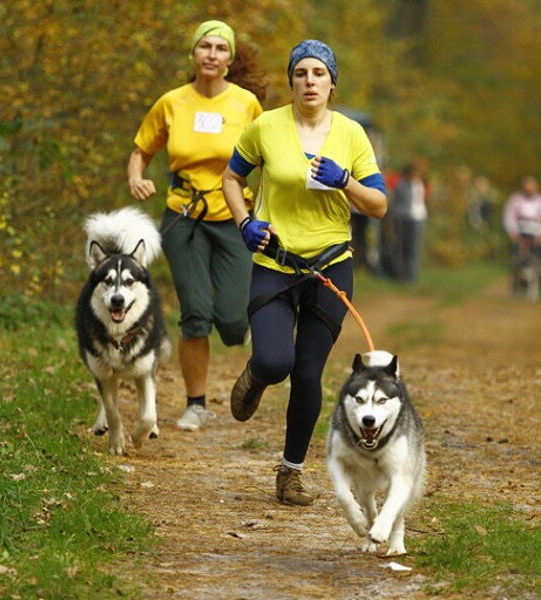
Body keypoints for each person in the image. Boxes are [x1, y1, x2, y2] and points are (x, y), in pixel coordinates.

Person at [222, 40, 387, 506]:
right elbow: (231, 178)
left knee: (309, 373)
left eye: (319, 73)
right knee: (277, 362)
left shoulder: (352, 135)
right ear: (292, 81)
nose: (310, 81)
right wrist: (244, 223)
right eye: (301, 73)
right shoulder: (266, 127)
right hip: (275, 263)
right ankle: (256, 372)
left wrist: (345, 181)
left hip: (330, 267)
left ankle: (290, 472)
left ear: (332, 83)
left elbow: (378, 205)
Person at [127, 20, 265, 432]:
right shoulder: (172, 103)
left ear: (230, 58)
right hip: (184, 216)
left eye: (221, 48)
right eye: (204, 46)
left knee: (233, 321)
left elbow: (270, 157)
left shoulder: (246, 105)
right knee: (195, 313)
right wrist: (137, 176)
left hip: (233, 219)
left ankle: (248, 337)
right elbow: (141, 150)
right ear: (193, 54)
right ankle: (196, 404)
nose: (211, 54)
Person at [502, 176, 541, 292]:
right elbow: (509, 216)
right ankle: (515, 285)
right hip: (520, 234)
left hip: (536, 235)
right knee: (517, 259)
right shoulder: (515, 200)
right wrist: (512, 231)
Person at [388, 162, 428, 282]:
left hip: (417, 219)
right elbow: (395, 203)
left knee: (413, 247)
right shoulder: (401, 185)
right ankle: (401, 275)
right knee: (401, 247)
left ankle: (412, 275)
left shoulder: (420, 184)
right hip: (402, 218)